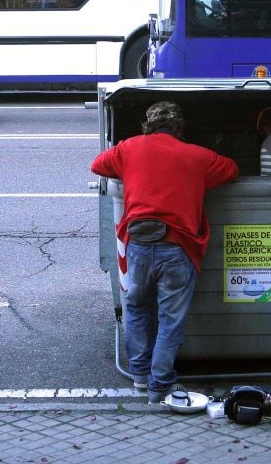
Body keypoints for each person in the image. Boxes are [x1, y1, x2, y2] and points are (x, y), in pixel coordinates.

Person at [90, 101, 239, 403]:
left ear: (147, 125)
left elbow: (98, 165)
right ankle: (160, 385)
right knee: (171, 318)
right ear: (180, 128)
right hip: (178, 246)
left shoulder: (129, 148)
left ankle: (140, 377)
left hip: (140, 244)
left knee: (137, 308)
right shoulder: (198, 156)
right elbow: (232, 170)